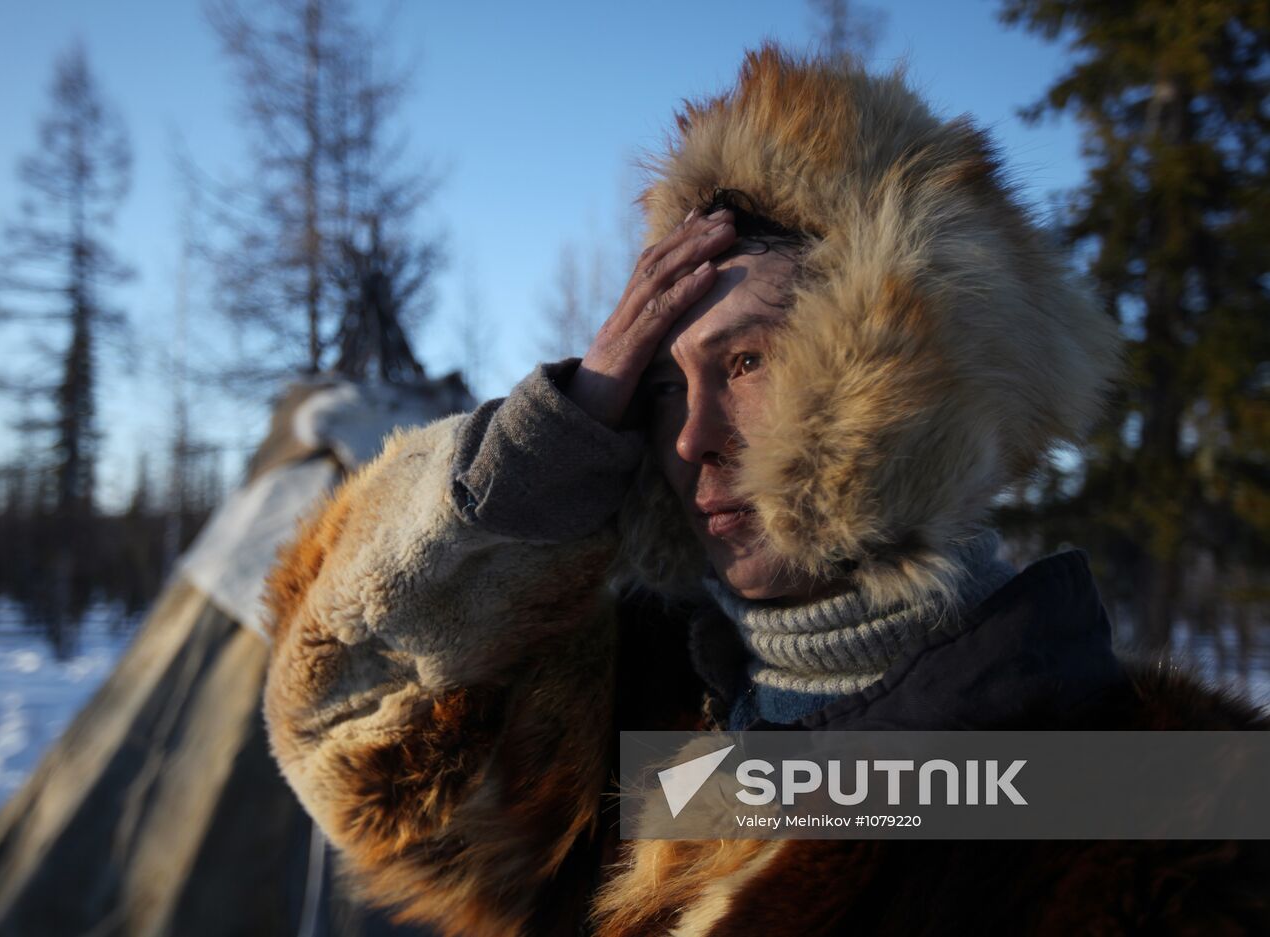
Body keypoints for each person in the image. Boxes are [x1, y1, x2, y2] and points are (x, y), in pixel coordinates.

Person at [261, 45, 1269, 936]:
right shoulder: (656, 739)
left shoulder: (1158, 814)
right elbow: (353, 748)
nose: (689, 435)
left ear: (906, 366)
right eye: (660, 388)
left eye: (744, 362)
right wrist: (526, 470)